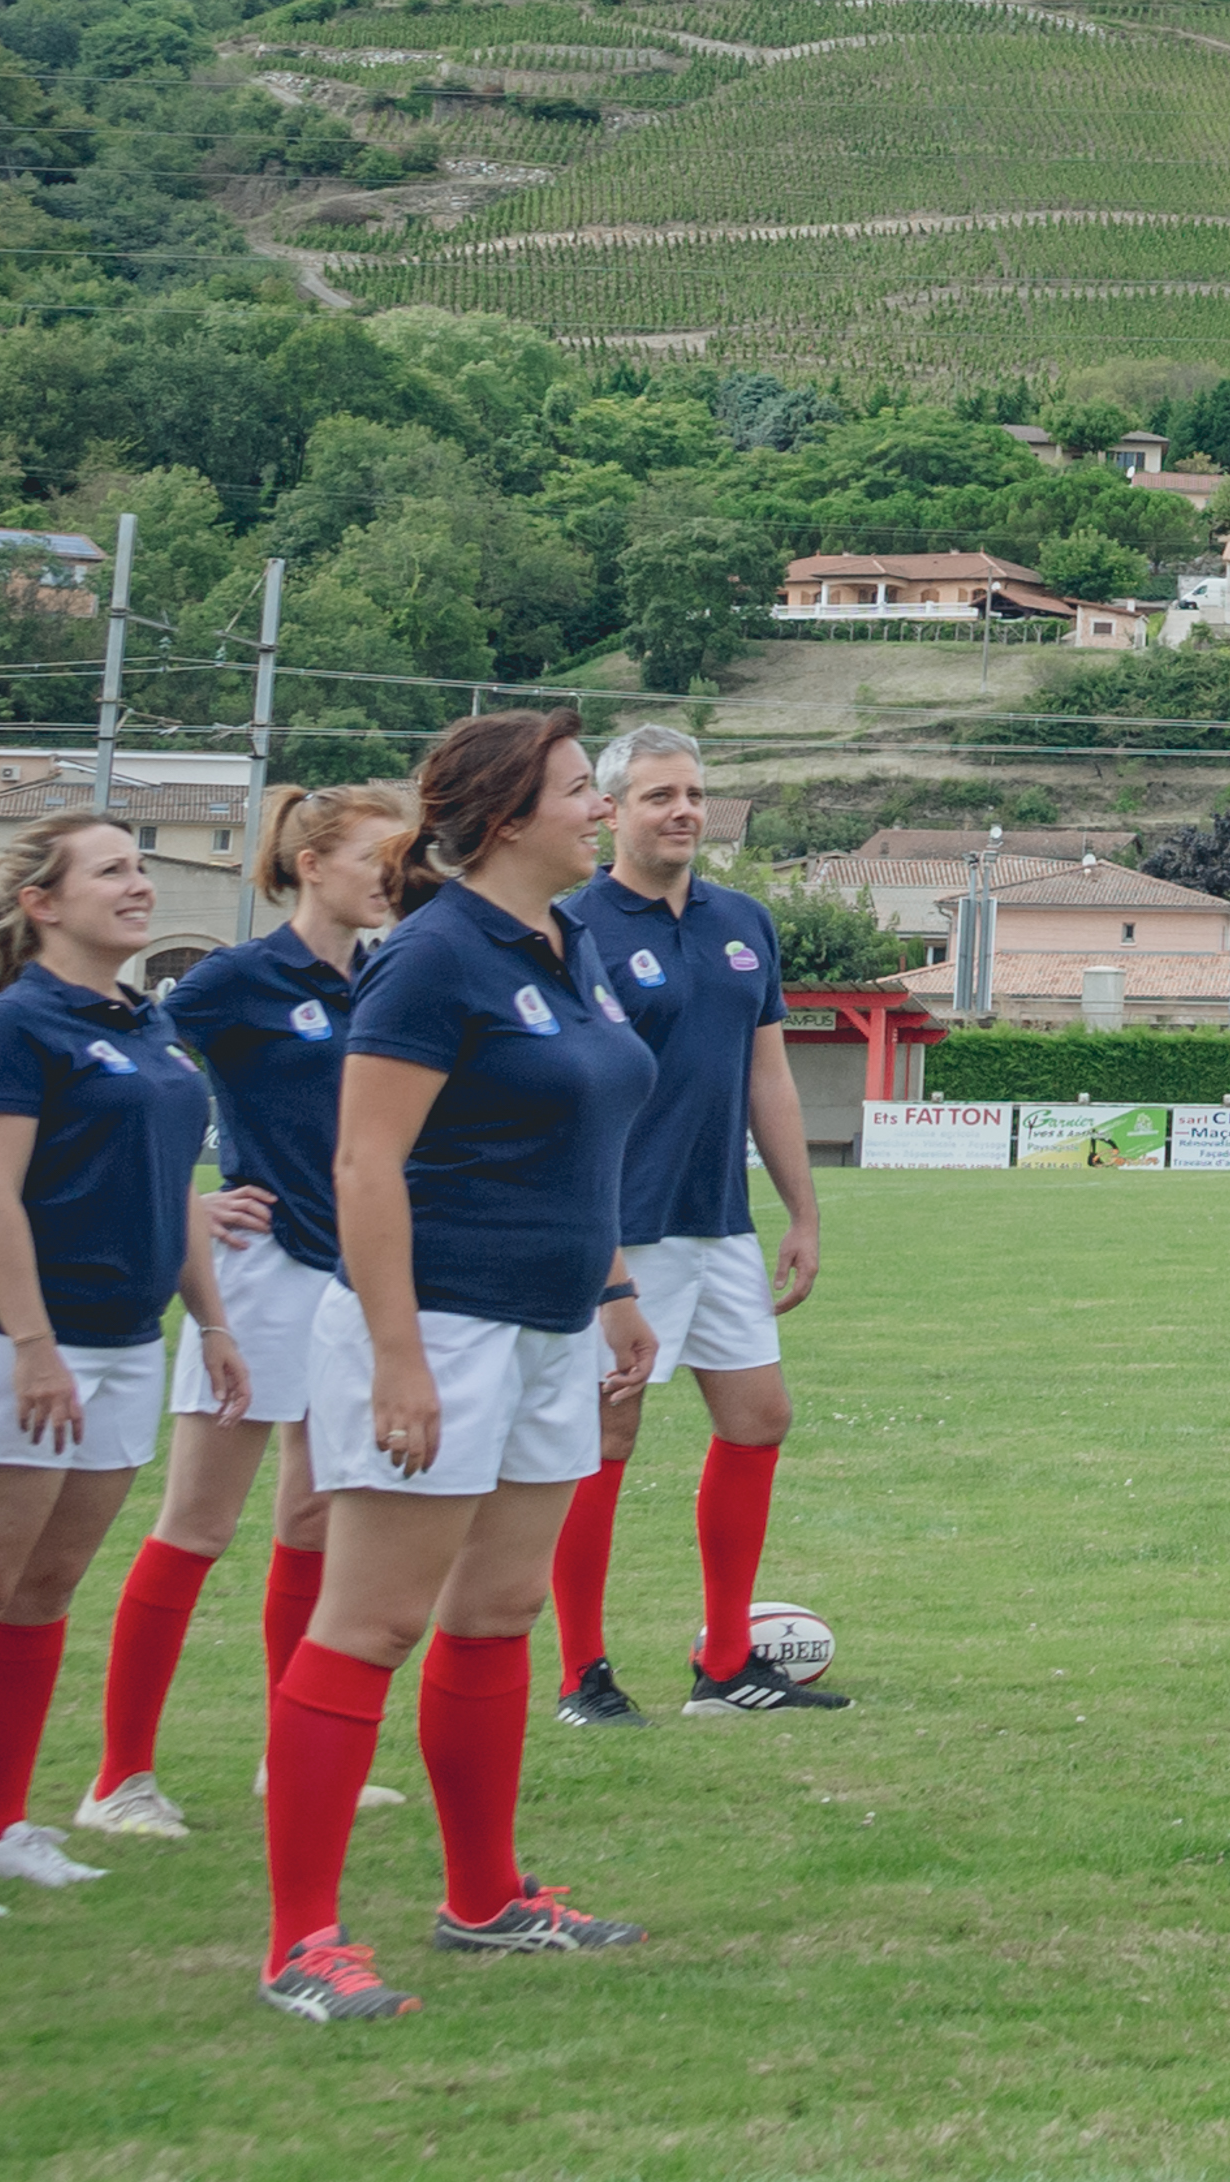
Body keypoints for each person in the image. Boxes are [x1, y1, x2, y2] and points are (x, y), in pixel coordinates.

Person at [257, 713, 660, 2028]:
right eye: (579, 789)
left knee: (498, 1617)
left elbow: (583, 1132)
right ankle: (303, 1939)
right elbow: (365, 1164)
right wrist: (396, 1356)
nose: (598, 808)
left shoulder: (572, 936)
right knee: (370, 1624)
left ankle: (485, 1897)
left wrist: (611, 1293)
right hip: (438, 1324)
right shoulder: (432, 956)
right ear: (502, 817)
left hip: (550, 1325)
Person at [0, 816, 251, 1925]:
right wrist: (31, 1346)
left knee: (40, 1594)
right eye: (114, 870)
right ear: (40, 902)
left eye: (137, 866)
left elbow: (174, 1183)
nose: (139, 885)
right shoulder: (21, 1026)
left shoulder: (148, 1020)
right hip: (13, 1341)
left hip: (125, 1340)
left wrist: (210, 1323)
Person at [82, 780, 411, 1840]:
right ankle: (119, 1779)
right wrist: (186, 1196)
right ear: (310, 865)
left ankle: (292, 1756)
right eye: (377, 858)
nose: (394, 879)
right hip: (260, 1273)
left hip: (353, 1276)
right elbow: (132, 1080)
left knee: (315, 1516)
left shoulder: (389, 978)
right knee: (198, 1522)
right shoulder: (234, 978)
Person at [547, 724, 837, 1726]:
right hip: (617, 1228)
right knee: (603, 1432)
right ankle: (581, 1672)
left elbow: (770, 1075)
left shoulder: (743, 920)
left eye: (695, 795)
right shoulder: (570, 926)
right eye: (659, 795)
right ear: (612, 810)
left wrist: (799, 1212)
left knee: (759, 1419)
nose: (682, 812)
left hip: (721, 1224)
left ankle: (724, 1666)